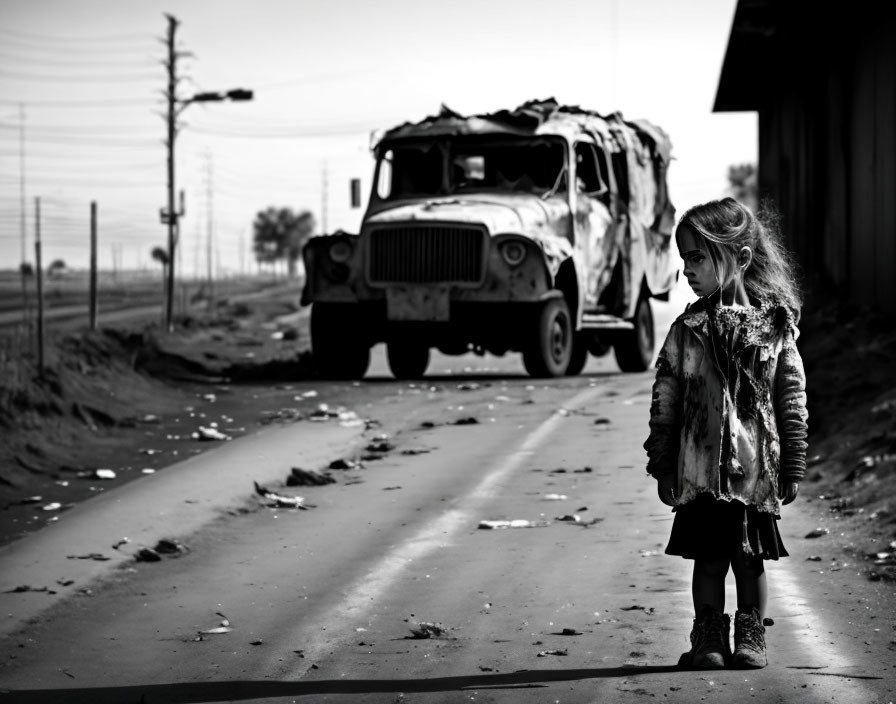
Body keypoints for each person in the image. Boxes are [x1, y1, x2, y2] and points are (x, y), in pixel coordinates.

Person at [643, 197, 808, 670]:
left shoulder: (776, 328)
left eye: (697, 257)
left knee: (750, 560)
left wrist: (793, 461)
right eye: (685, 260)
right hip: (697, 473)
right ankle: (709, 638)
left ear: (739, 258)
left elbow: (791, 398)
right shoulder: (687, 329)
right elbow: (666, 401)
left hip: (754, 476)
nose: (687, 271)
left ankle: (750, 636)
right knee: (709, 561)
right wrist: (662, 461)